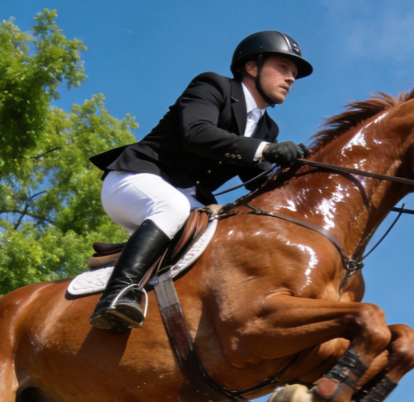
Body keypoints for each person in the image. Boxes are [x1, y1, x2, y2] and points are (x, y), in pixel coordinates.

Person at [87, 30, 313, 331]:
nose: (291, 79)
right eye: (283, 68)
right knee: (174, 207)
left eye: (294, 74)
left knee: (231, 235)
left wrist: (300, 175)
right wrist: (267, 150)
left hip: (188, 200)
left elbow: (257, 181)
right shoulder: (213, 86)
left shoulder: (266, 128)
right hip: (136, 179)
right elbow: (196, 133)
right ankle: (117, 294)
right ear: (252, 67)